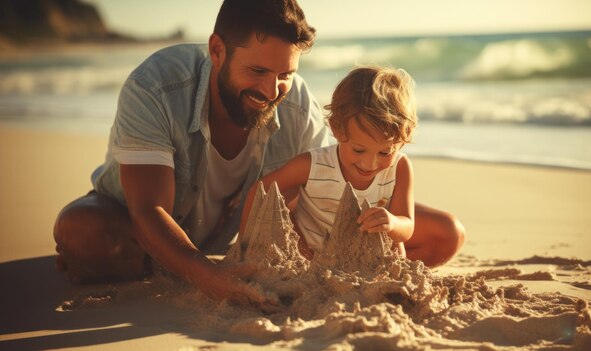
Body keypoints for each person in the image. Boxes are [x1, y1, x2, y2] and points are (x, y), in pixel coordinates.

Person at [53, 0, 330, 303]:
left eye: (285, 75)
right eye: (257, 70)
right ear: (217, 51)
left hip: (219, 239)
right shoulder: (155, 86)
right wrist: (210, 278)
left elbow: (321, 193)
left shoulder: (299, 106)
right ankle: (159, 258)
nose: (271, 90)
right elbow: (148, 208)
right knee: (81, 229)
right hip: (134, 222)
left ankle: (173, 260)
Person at [240, 66, 464, 266]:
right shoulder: (313, 165)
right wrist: (243, 247)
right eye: (359, 150)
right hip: (312, 255)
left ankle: (369, 273)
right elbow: (260, 190)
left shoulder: (400, 166)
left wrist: (392, 223)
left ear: (403, 140)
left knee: (448, 236)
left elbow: (407, 226)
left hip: (367, 254)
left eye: (385, 152)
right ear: (337, 129)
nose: (370, 163)